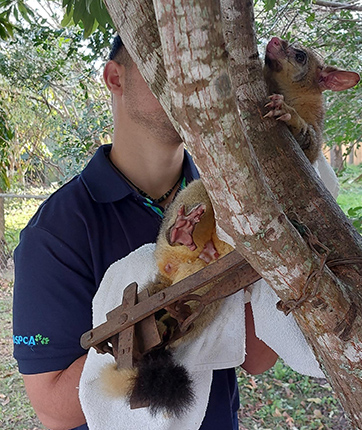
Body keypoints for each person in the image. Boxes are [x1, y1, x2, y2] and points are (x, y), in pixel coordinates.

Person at [13, 35, 278, 430]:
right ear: (115, 77)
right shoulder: (57, 230)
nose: (193, 83)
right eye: (170, 66)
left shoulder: (231, 198)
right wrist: (165, 317)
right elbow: (53, 409)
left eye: (204, 70)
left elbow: (259, 357)